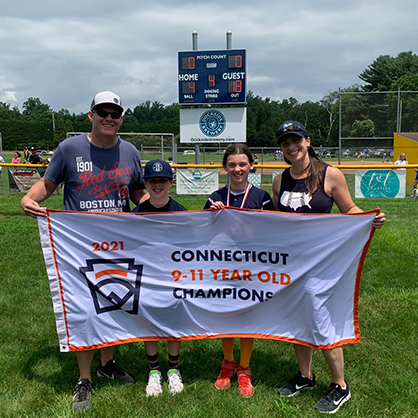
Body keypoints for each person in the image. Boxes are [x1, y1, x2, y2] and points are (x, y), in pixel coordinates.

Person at [21, 90, 149, 412]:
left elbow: (137, 192)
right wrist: (29, 198)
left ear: (121, 118)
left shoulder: (130, 152)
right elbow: (49, 184)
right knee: (84, 308)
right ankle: (84, 377)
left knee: (117, 301)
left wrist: (166, 212)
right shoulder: (70, 149)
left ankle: (109, 362)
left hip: (119, 242)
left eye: (115, 113)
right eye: (102, 112)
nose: (109, 118)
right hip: (78, 246)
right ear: (91, 115)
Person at [272, 121, 386, 414]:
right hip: (291, 264)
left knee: (321, 321)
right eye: (285, 143)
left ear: (308, 141)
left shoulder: (329, 175)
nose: (291, 147)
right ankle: (305, 376)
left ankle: (340, 385)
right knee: (296, 320)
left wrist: (369, 217)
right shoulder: (279, 179)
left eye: (296, 140)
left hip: (322, 261)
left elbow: (348, 209)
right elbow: (273, 219)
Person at [203, 143, 274, 397]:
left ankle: (244, 368)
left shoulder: (262, 197)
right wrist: (212, 217)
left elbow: (271, 234)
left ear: (251, 165)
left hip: (253, 268)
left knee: (246, 316)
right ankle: (227, 362)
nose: (237, 169)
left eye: (242, 164)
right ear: (225, 168)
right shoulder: (215, 197)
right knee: (226, 314)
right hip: (223, 266)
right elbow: (201, 232)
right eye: (232, 164)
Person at [132, 159, 186, 397]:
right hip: (146, 278)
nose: (157, 185)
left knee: (174, 323)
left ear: (171, 183)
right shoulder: (134, 215)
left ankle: (173, 369)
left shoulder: (183, 213)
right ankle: (154, 371)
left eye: (162, 180)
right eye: (152, 181)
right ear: (145, 183)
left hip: (174, 277)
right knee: (150, 323)